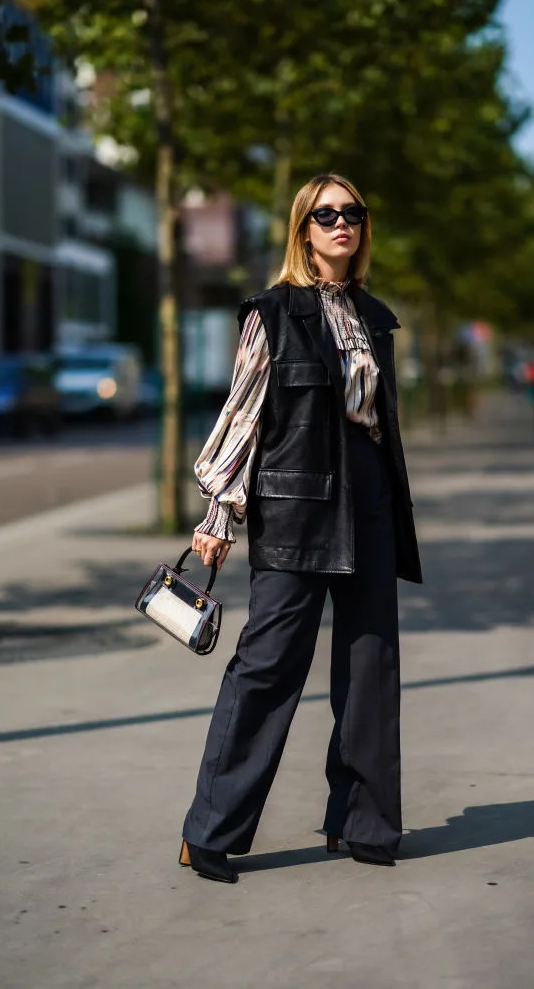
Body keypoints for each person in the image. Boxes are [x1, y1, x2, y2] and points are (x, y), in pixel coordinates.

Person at [179, 173, 422, 884]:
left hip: (369, 499)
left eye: (351, 213)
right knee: (268, 663)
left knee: (371, 662)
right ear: (303, 231)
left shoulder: (374, 316)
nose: (340, 223)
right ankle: (210, 831)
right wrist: (218, 511)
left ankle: (363, 822)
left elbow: (376, 422)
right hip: (293, 501)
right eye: (325, 214)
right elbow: (243, 413)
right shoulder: (272, 312)